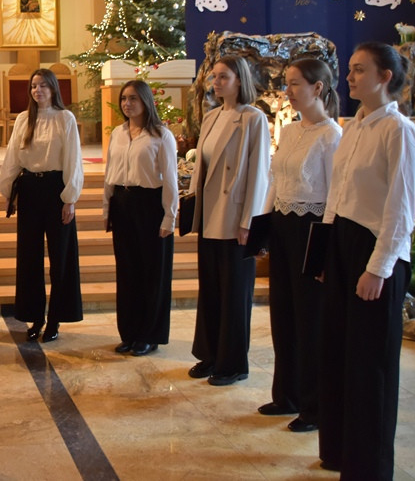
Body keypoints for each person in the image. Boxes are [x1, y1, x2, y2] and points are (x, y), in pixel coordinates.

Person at [318, 42, 415, 478]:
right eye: (350, 69)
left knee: (370, 366)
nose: (349, 77)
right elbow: (337, 194)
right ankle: (339, 453)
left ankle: (370, 467)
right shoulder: (355, 126)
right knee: (339, 355)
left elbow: (400, 209)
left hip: (375, 252)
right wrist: (326, 255)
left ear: (385, 77)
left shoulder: (399, 132)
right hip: (343, 246)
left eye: (360, 70)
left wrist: (377, 268)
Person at [257, 59, 341, 432]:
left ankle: (314, 406)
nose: (287, 91)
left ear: (317, 87)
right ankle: (286, 395)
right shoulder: (290, 131)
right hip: (283, 225)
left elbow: (335, 196)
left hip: (312, 228)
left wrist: (325, 249)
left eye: (294, 84)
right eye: (287, 83)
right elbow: (276, 181)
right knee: (283, 313)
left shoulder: (332, 136)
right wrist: (262, 229)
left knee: (310, 319)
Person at [187, 55, 269, 386]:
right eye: (214, 76)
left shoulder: (253, 118)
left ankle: (233, 364)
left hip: (236, 217)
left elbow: (259, 174)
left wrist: (249, 221)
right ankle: (210, 354)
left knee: (234, 293)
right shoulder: (211, 117)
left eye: (223, 77)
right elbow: (202, 169)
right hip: (209, 214)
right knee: (211, 288)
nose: (216, 82)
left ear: (239, 80)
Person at [0, 68, 83, 343]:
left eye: (44, 85)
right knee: (29, 258)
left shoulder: (65, 118)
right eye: (34, 86)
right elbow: (13, 157)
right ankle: (35, 317)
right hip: (30, 191)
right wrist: (9, 190)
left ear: (54, 88)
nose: (38, 90)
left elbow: (73, 159)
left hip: (57, 190)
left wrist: (70, 198)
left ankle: (56, 318)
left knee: (60, 257)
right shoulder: (24, 119)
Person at [103, 79, 178, 357]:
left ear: (146, 101)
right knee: (127, 271)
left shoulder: (161, 135)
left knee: (152, 273)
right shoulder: (118, 133)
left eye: (133, 98)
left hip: (150, 205)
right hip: (123, 204)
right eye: (124, 98)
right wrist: (107, 208)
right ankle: (130, 332)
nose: (127, 103)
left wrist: (169, 216)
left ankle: (149, 335)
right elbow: (110, 173)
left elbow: (170, 179)